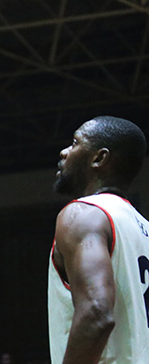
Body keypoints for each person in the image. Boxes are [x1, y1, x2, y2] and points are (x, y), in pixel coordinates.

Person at [48, 116, 149, 363]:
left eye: (75, 143)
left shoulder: (84, 214)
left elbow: (96, 313)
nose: (64, 152)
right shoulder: (144, 228)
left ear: (99, 158)